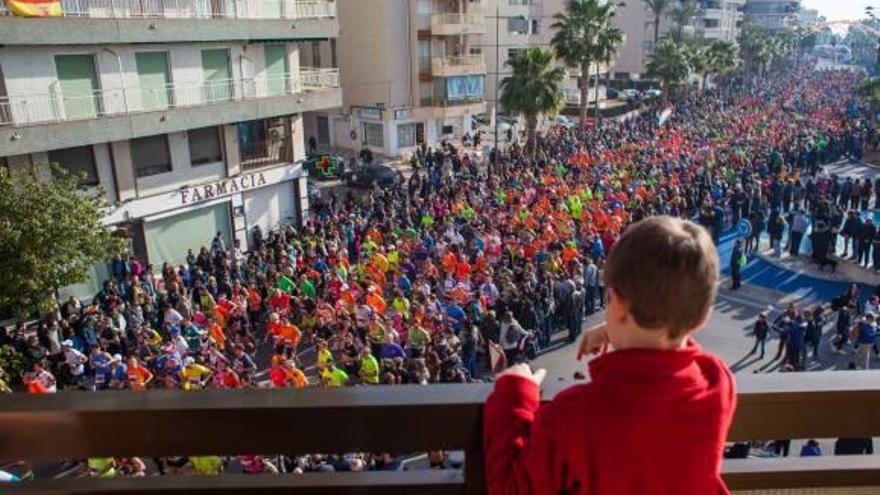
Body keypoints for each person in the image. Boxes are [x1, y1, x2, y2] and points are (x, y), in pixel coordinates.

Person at [483, 217, 735, 494]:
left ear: (614, 302)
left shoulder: (573, 414)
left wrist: (516, 392)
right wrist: (622, 325)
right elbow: (677, 344)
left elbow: (510, 489)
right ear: (702, 319)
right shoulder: (717, 381)